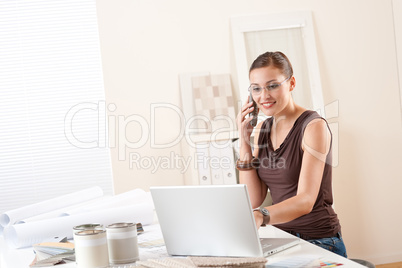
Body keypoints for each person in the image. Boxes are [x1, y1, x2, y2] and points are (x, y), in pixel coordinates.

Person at [236, 51, 347, 257]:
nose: (264, 96)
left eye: (273, 85)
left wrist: (261, 215)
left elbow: (305, 200)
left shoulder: (313, 126)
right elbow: (253, 199)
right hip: (282, 238)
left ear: (292, 83)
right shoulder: (262, 130)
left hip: (319, 240)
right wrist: (244, 141)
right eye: (256, 89)